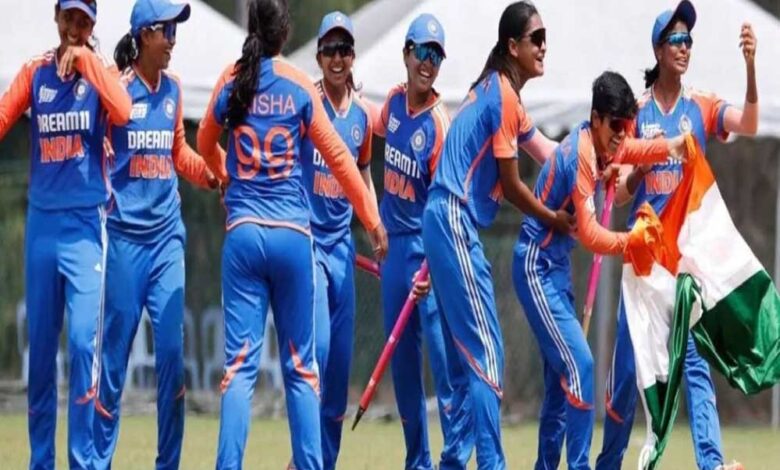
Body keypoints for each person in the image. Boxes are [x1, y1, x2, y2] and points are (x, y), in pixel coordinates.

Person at [196, 0, 388, 468]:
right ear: (287, 34)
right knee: (303, 371)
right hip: (292, 238)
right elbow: (340, 159)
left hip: (243, 236)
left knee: (239, 370)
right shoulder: (300, 85)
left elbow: (204, 140)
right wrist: (372, 220)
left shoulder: (232, 79)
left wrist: (226, 177)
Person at [596, 2, 757, 470]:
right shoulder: (636, 113)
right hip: (645, 266)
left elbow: (748, 124)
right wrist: (638, 169)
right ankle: (608, 462)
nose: (685, 48)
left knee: (696, 366)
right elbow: (619, 195)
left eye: (689, 40)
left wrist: (750, 66)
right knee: (627, 376)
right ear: (658, 50)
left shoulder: (700, 106)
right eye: (676, 40)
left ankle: (712, 463)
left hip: (687, 265)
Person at [421, 2, 573, 467]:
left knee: (470, 360)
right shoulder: (502, 95)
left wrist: (597, 161)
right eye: (536, 39)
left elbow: (549, 151)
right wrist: (553, 217)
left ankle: (453, 462)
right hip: (452, 216)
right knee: (487, 354)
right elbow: (511, 186)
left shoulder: (503, 94)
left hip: (446, 219)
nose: (544, 47)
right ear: (512, 46)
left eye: (546, 38)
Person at [513, 71, 686, 470]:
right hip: (536, 265)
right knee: (582, 365)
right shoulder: (581, 155)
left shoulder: (605, 143)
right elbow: (591, 235)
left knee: (561, 381)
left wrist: (672, 146)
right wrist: (632, 241)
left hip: (556, 267)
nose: (622, 135)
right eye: (615, 125)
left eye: (627, 125)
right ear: (595, 118)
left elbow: (635, 149)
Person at [0, 1, 132, 467]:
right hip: (42, 229)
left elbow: (124, 110)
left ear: (92, 25)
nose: (74, 28)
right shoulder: (36, 72)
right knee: (40, 354)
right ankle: (41, 461)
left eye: (83, 21)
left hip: (85, 228)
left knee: (81, 345)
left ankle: (82, 461)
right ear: (56, 18)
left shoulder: (102, 73)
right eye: (68, 18)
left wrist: (87, 62)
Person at [92, 1, 217, 468]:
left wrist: (212, 175)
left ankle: (169, 463)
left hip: (167, 241)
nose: (173, 41)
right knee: (113, 362)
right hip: (125, 242)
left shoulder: (174, 90)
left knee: (171, 357)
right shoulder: (115, 89)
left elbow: (177, 151)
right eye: (167, 31)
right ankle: (97, 461)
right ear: (145, 34)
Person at [373, 13, 458, 470]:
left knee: (443, 367)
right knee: (403, 367)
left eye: (436, 56)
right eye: (422, 52)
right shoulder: (391, 103)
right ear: (406, 53)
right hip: (393, 251)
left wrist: (432, 267)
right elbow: (366, 129)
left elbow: (445, 206)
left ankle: (453, 459)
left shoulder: (439, 123)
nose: (428, 63)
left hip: (428, 257)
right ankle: (417, 461)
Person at [298, 11, 376, 470]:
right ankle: (305, 456)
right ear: (318, 55)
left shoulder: (362, 115)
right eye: (329, 49)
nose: (337, 58)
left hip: (343, 246)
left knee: (340, 368)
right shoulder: (306, 102)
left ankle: (323, 461)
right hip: (308, 244)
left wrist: (376, 225)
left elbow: (364, 173)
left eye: (344, 49)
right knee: (320, 353)